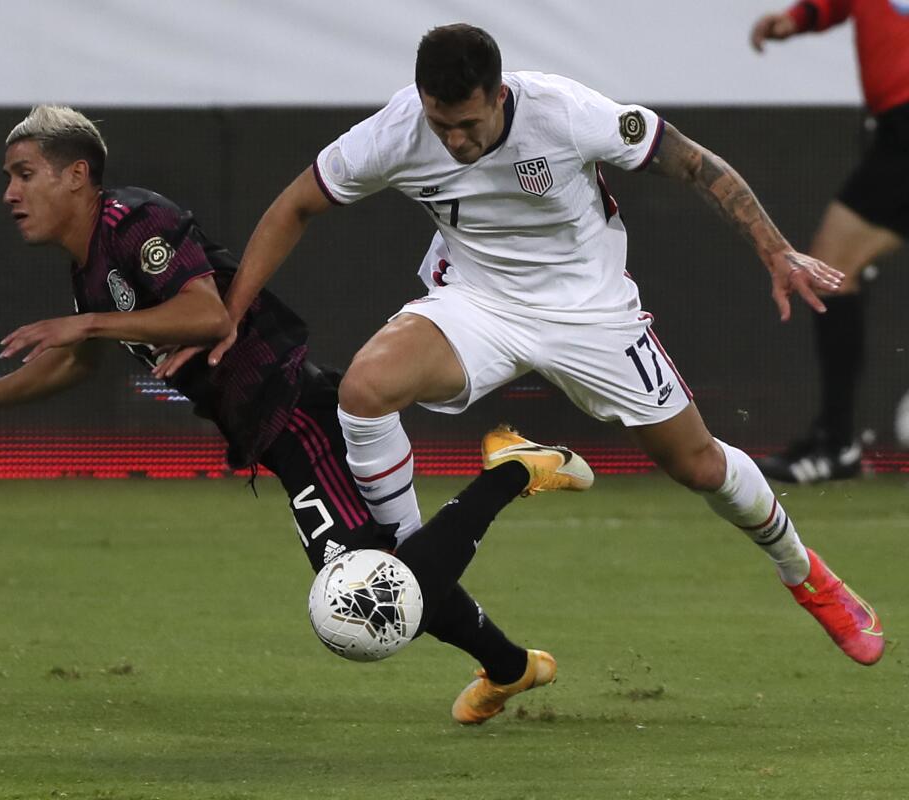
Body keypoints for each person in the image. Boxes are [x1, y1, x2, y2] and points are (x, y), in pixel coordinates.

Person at [162, 24, 885, 666]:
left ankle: (806, 574)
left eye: (468, 124)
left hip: (590, 313)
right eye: (442, 124)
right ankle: (410, 567)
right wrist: (233, 311)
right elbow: (296, 204)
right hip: (479, 303)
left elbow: (695, 164)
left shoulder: (565, 112)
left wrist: (776, 250)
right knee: (365, 389)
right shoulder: (397, 130)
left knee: (697, 466)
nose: (454, 140)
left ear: (499, 94)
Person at [0, 104, 593, 725]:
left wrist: (85, 323)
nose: (9, 192)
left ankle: (509, 475)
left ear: (76, 175)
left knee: (365, 598)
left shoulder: (134, 221)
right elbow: (73, 363)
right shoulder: (91, 266)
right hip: (276, 434)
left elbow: (205, 311)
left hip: (298, 416)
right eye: (8, 176)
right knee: (388, 583)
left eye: (23, 173)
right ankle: (508, 666)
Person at [749, 1, 909, 483]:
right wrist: (800, 19)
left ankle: (836, 441)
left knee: (830, 268)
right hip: (895, 132)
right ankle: (835, 439)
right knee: (833, 269)